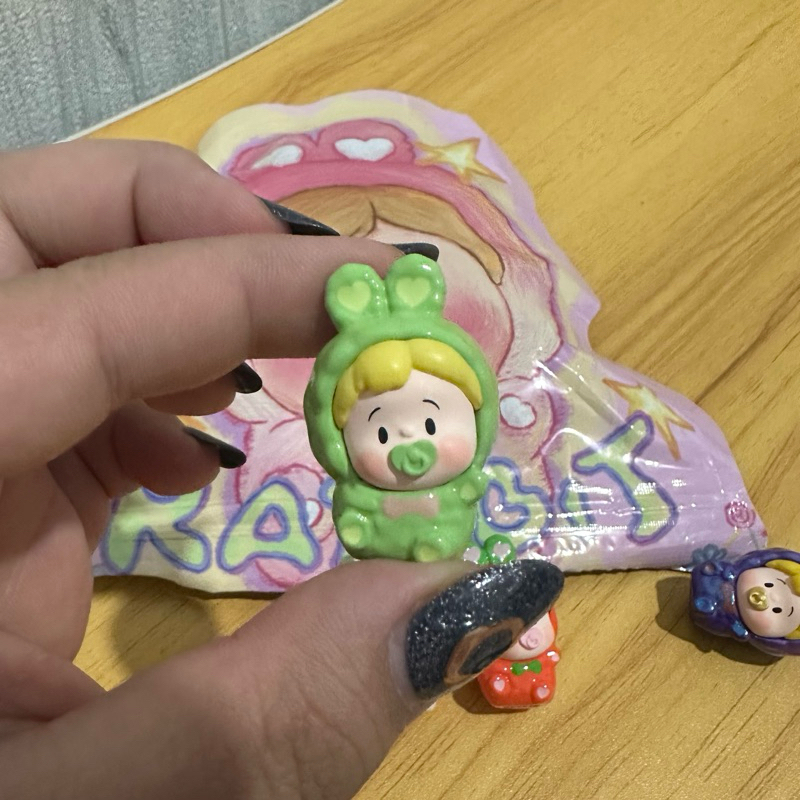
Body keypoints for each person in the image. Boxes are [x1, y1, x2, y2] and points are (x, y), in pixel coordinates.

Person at [0, 139, 563, 798]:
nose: (410, 447)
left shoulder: (461, 485)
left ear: (479, 415)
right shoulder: (361, 499)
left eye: (433, 424)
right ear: (338, 442)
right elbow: (355, 519)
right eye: (383, 431)